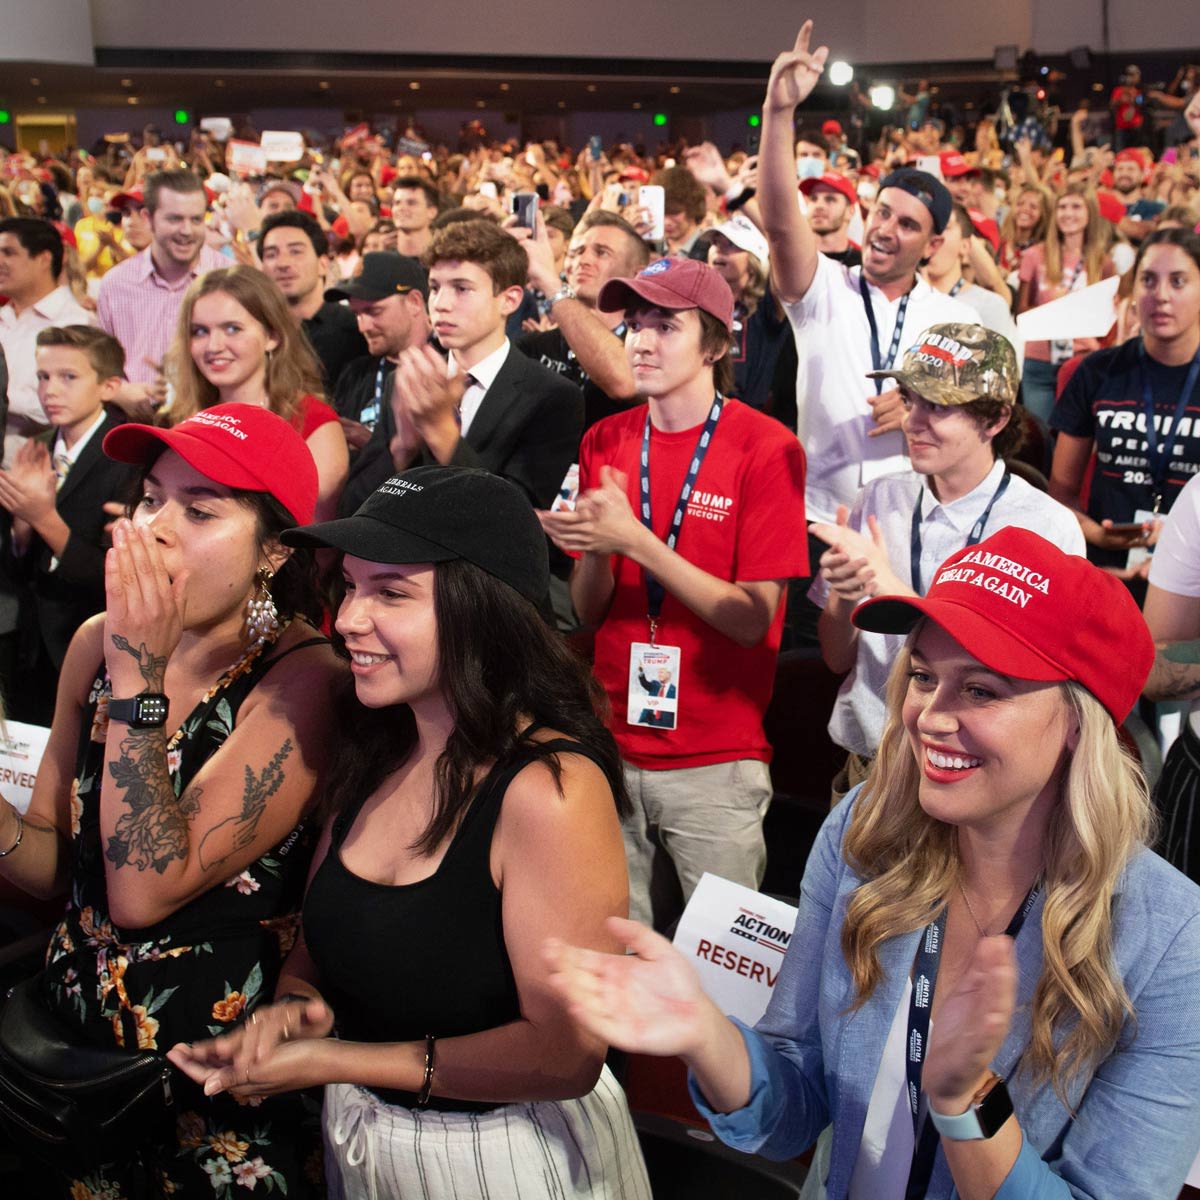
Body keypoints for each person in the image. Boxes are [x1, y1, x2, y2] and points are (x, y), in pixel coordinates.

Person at [546, 524, 1200, 1200]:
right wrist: (706, 1033)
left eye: (980, 690)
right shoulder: (868, 830)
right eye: (923, 676)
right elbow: (797, 1104)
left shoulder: (1172, 943)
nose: (931, 717)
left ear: (1078, 722)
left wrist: (966, 1103)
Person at [168, 466, 652, 1200]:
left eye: (391, 593)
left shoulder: (550, 789)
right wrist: (294, 1014)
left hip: (511, 1156)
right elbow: (317, 950)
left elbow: (566, 1054)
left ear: (483, 610)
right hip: (365, 1141)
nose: (348, 619)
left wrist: (336, 1061)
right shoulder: (376, 746)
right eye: (350, 586)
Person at [0, 402, 344, 1196]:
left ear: (273, 551)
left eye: (199, 510)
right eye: (152, 498)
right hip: (71, 1063)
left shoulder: (304, 682)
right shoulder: (97, 642)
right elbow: (54, 865)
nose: (154, 528)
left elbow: (143, 891)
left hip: (206, 1080)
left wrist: (140, 680)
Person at [540, 258, 808, 930]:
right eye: (634, 324)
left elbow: (752, 620)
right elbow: (589, 609)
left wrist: (635, 541)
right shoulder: (606, 438)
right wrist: (596, 547)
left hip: (717, 757)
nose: (641, 341)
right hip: (613, 739)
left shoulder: (766, 448)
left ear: (715, 345)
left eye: (666, 326)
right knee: (616, 946)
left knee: (723, 969)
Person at [758, 21, 974, 649]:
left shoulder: (954, 321)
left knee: (896, 675)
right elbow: (780, 223)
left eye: (907, 224)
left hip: (909, 525)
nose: (885, 229)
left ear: (933, 244)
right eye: (881, 211)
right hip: (814, 520)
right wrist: (779, 113)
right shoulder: (824, 287)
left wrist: (919, 409)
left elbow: (979, 426)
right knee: (807, 674)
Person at [810, 323, 1084, 797]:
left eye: (938, 406)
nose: (913, 421)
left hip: (969, 772)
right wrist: (845, 597)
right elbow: (836, 658)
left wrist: (885, 583)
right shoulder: (879, 498)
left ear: (995, 420)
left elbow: (1022, 678)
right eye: (910, 400)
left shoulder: (1045, 527)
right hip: (869, 766)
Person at [340, 219, 581, 516]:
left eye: (462, 288)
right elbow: (352, 510)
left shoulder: (552, 396)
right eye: (434, 287)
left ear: (509, 299)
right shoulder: (406, 381)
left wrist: (441, 431)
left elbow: (513, 519)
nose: (441, 303)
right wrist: (402, 448)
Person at [0, 325, 139, 725]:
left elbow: (109, 574)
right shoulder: (39, 445)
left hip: (88, 643)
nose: (50, 390)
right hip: (30, 648)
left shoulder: (126, 453)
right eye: (43, 377)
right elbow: (20, 567)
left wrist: (44, 518)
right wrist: (22, 527)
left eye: (68, 377)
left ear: (109, 386)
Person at [1048, 228, 1200, 588]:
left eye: (1178, 282)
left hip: (1191, 577)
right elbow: (1061, 496)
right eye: (1148, 280)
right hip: (1106, 572)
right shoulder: (1096, 371)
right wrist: (1097, 537)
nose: (1161, 295)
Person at [166, 265, 349, 522]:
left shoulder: (313, 423)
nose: (213, 346)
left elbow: (318, 537)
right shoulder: (184, 418)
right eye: (200, 331)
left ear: (272, 335)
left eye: (232, 329)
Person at [96, 170, 228, 419]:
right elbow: (99, 362)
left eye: (196, 219)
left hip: (212, 422)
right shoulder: (115, 284)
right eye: (175, 219)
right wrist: (120, 391)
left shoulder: (230, 279)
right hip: (134, 423)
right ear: (149, 219)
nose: (187, 230)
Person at [517, 208, 650, 429]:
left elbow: (625, 383)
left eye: (602, 253)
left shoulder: (648, 347)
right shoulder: (533, 348)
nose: (583, 260)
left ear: (637, 274)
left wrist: (550, 284)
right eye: (576, 252)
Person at [1016, 183, 1115, 423]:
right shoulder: (1035, 255)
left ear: (1090, 213)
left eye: (1076, 207)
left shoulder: (1103, 262)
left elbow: (1109, 319)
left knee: (1075, 433)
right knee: (1039, 432)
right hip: (1039, 360)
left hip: (1082, 358)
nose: (1068, 213)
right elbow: (1021, 311)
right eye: (1062, 207)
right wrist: (1055, 311)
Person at [0, 217, 95, 466]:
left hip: (33, 472)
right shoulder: (3, 318)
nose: (0, 261)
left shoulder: (76, 324)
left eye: (9, 252)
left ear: (44, 259)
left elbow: (66, 405)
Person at [326, 251, 431, 450]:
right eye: (357, 314)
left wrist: (374, 447)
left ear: (414, 302)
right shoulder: (355, 374)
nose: (363, 327)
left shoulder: (449, 368)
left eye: (374, 311)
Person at [258, 210, 367, 392]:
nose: (283, 263)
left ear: (323, 264)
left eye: (295, 252)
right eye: (271, 254)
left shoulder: (356, 329)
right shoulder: (255, 333)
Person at [706, 213, 792, 414]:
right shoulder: (700, 305)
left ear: (755, 259)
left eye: (731, 245)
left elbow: (785, 252)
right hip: (704, 413)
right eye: (715, 242)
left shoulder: (768, 304)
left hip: (751, 417)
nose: (719, 249)